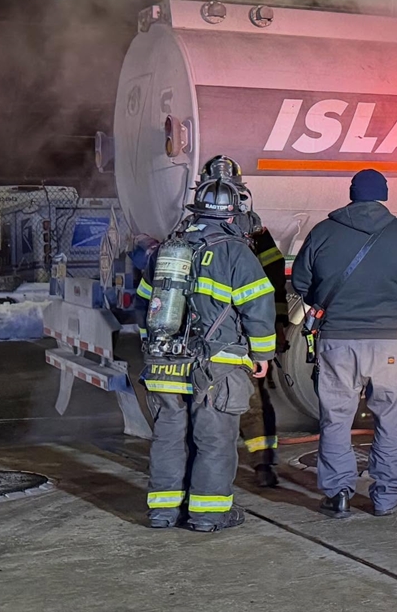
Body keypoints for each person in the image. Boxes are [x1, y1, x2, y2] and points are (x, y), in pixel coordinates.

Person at [291, 169, 397, 518]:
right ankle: (387, 498)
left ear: (351, 194)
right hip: (393, 345)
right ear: (383, 195)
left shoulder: (324, 231)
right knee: (390, 421)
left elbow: (301, 281)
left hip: (339, 343)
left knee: (336, 419)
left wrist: (327, 306)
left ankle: (338, 494)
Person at [136, 173, 276, 532]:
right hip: (216, 366)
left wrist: (151, 350)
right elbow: (258, 307)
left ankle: (163, 512)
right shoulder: (235, 252)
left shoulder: (169, 250)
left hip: (165, 362)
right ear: (232, 214)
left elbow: (144, 306)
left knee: (168, 437)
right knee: (213, 440)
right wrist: (262, 355)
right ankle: (207, 515)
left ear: (196, 210)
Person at [197, 156, 289, 488]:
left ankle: (212, 472)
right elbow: (273, 274)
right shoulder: (252, 228)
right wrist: (272, 324)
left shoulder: (194, 227)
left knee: (204, 401)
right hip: (243, 332)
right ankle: (262, 465)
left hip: (207, 334)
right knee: (253, 401)